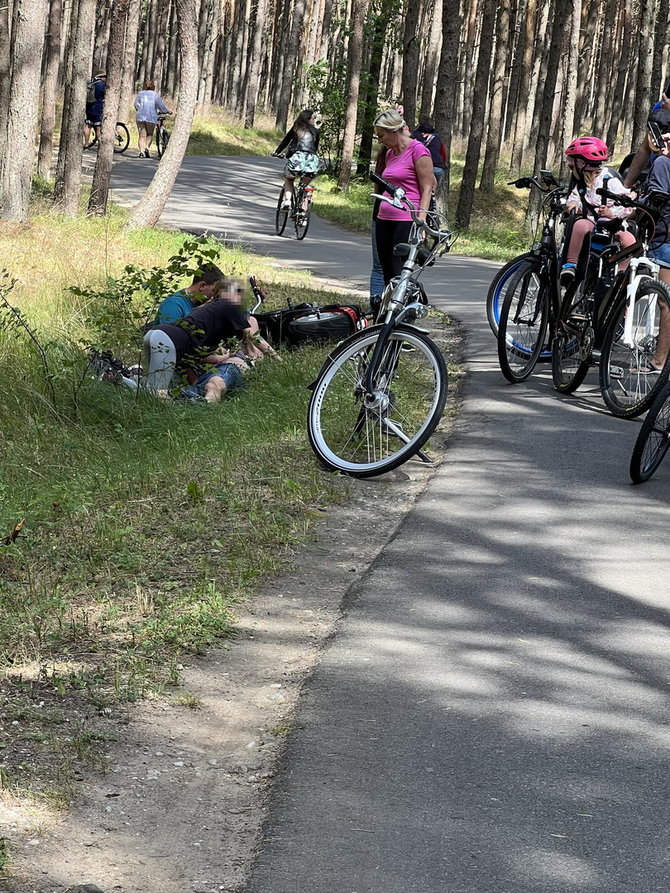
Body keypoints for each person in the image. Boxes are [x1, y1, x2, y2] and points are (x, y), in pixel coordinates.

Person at [143, 281, 278, 403]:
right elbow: (253, 337)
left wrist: (223, 357)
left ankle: (126, 380)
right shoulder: (230, 306)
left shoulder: (210, 315)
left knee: (158, 390)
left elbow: (203, 357)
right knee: (157, 393)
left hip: (157, 335)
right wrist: (278, 359)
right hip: (167, 340)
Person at [561, 136, 636, 285]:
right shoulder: (582, 184)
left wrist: (612, 213)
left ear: (581, 163)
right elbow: (574, 197)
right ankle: (571, 265)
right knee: (580, 225)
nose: (570, 166)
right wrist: (572, 205)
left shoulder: (610, 181)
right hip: (592, 223)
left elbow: (629, 205)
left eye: (571, 164)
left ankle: (620, 277)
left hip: (612, 225)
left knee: (630, 240)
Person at [373, 109, 435, 286]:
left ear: (394, 131)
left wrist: (421, 222)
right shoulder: (390, 153)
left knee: (398, 272)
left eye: (382, 135)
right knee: (387, 273)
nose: (380, 141)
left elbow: (428, 188)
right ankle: (386, 313)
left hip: (406, 219)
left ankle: (401, 309)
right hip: (384, 219)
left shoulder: (418, 150)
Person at [637, 108, 670, 373]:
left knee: (665, 300)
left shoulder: (662, 162)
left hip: (665, 236)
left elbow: (655, 202)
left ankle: (659, 360)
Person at [272, 109, 321, 210]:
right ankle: (303, 211)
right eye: (312, 118)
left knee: (289, 179)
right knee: (304, 185)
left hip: (297, 158)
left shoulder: (296, 128)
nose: (313, 121)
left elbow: (285, 141)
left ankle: (287, 202)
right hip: (311, 159)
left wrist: (277, 152)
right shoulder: (316, 131)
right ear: (308, 119)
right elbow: (315, 148)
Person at [623, 94, 670, 188]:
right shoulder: (661, 107)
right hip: (656, 176)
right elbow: (645, 148)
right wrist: (626, 185)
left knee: (662, 161)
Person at [154, 264, 224, 324]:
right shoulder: (173, 305)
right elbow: (169, 336)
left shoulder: (201, 306)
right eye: (214, 290)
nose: (215, 296)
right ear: (202, 286)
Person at [134, 79, 172, 159]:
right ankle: (147, 148)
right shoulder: (155, 95)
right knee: (150, 134)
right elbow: (160, 106)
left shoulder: (140, 94)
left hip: (140, 116)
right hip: (150, 117)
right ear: (153, 87)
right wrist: (167, 111)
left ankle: (141, 152)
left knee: (141, 136)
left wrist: (140, 110)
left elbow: (136, 105)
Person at [411, 119, 448, 190]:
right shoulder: (436, 137)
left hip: (420, 168)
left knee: (420, 191)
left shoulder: (414, 137)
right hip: (437, 168)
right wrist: (443, 163)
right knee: (432, 192)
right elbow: (443, 153)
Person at [83, 71, 107, 149]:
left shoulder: (92, 83)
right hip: (98, 107)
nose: (106, 78)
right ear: (102, 77)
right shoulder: (102, 85)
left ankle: (86, 144)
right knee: (98, 126)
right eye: (105, 77)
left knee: (88, 125)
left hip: (89, 106)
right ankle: (100, 146)